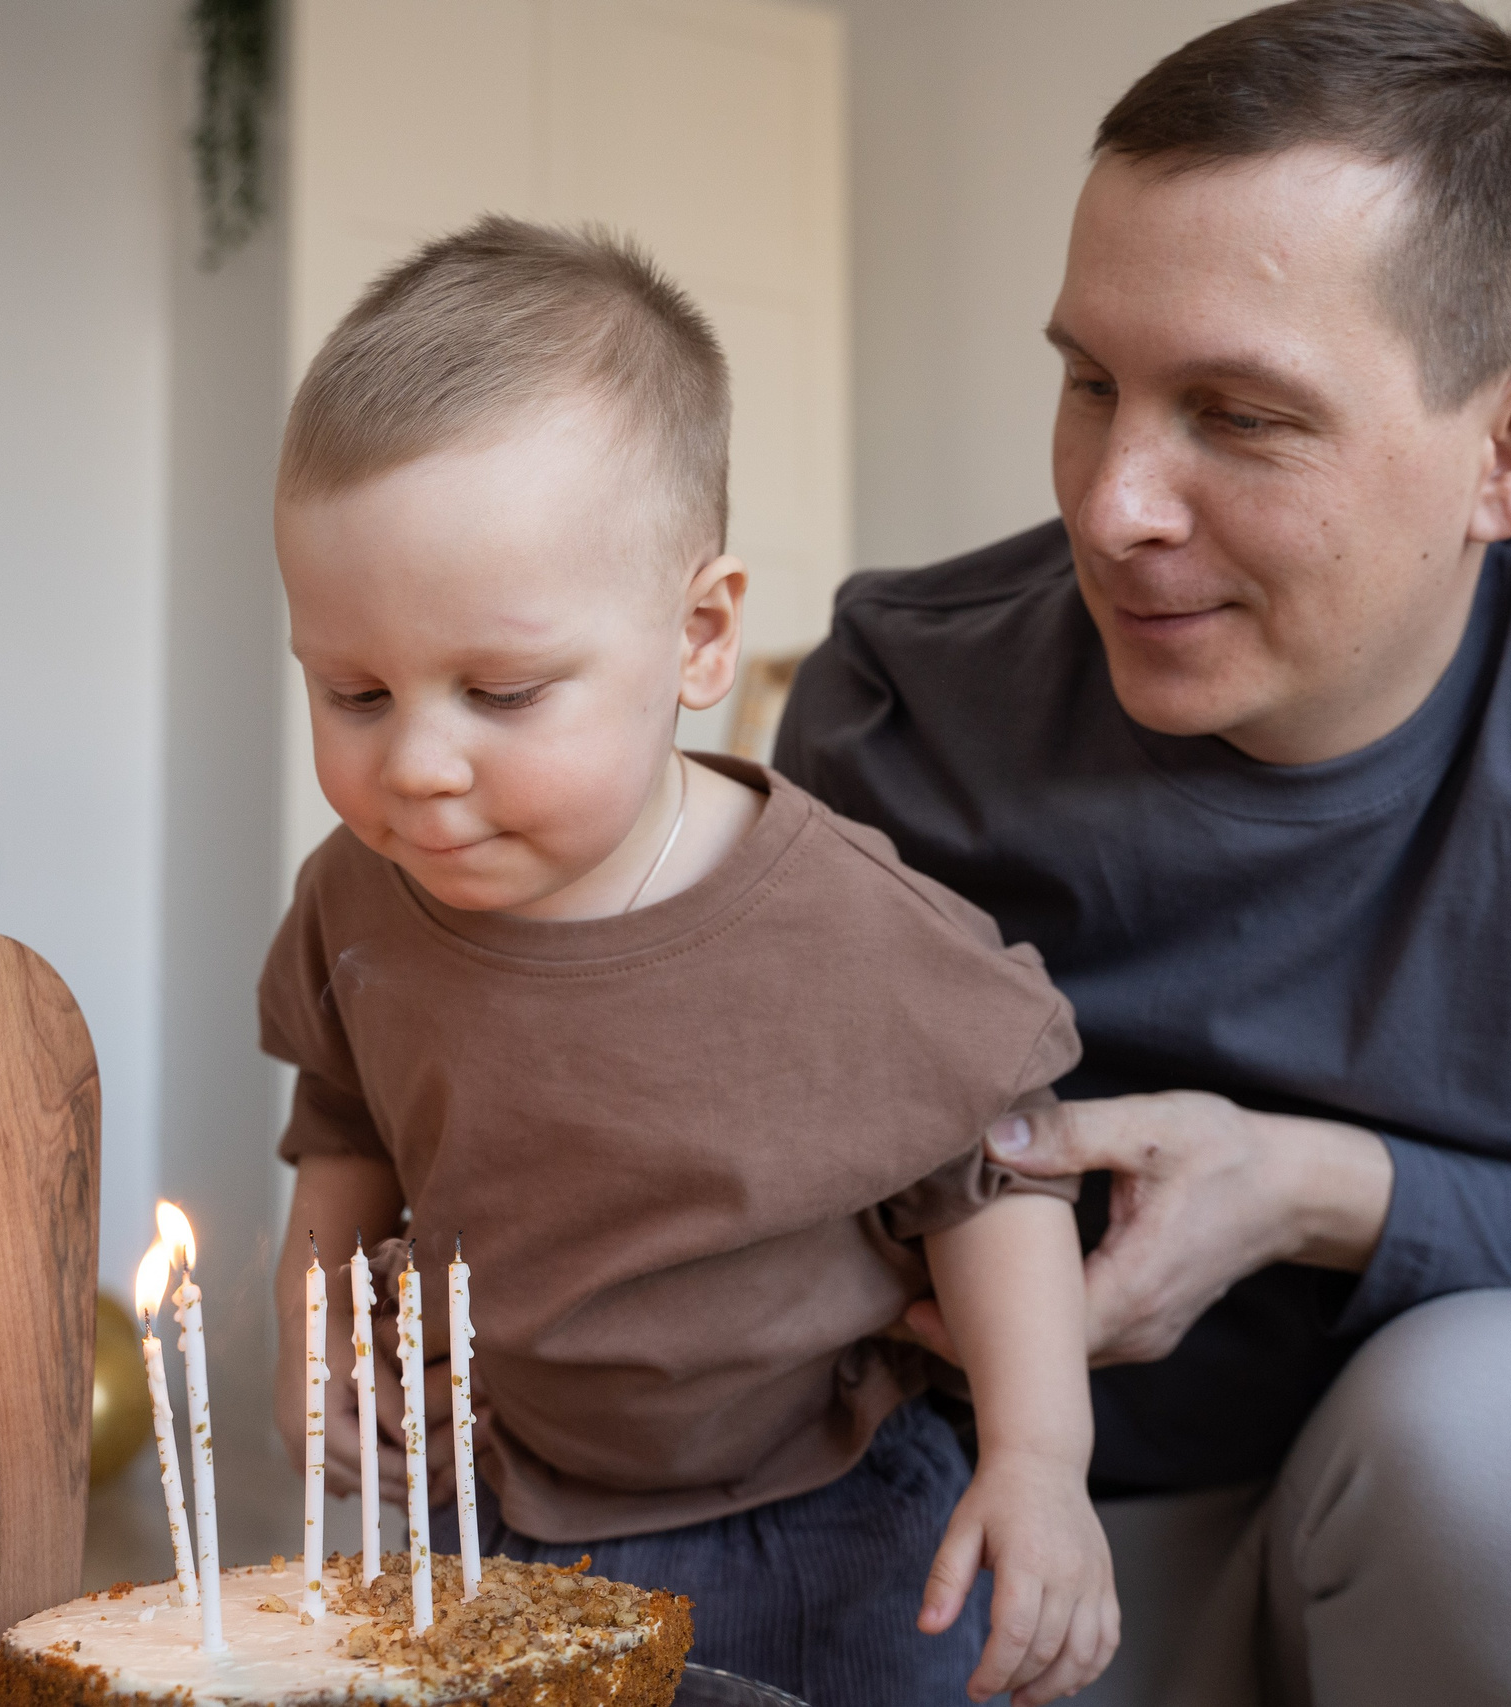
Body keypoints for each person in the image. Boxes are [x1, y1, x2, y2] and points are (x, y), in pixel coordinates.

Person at [774, 4, 1511, 1704]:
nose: (1112, 505)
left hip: (1450, 1560)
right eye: (1091, 380)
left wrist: (1324, 1191)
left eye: (1241, 415)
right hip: (961, 1556)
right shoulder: (902, 701)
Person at [263, 217, 1116, 1706]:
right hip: (505, 1505)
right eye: (354, 693)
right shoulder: (357, 894)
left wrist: (1040, 1459)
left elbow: (993, 1176)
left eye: (501, 691)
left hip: (832, 1510)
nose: (416, 765)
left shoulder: (848, 925)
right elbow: (345, 1124)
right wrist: (312, 1334)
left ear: (700, 635)